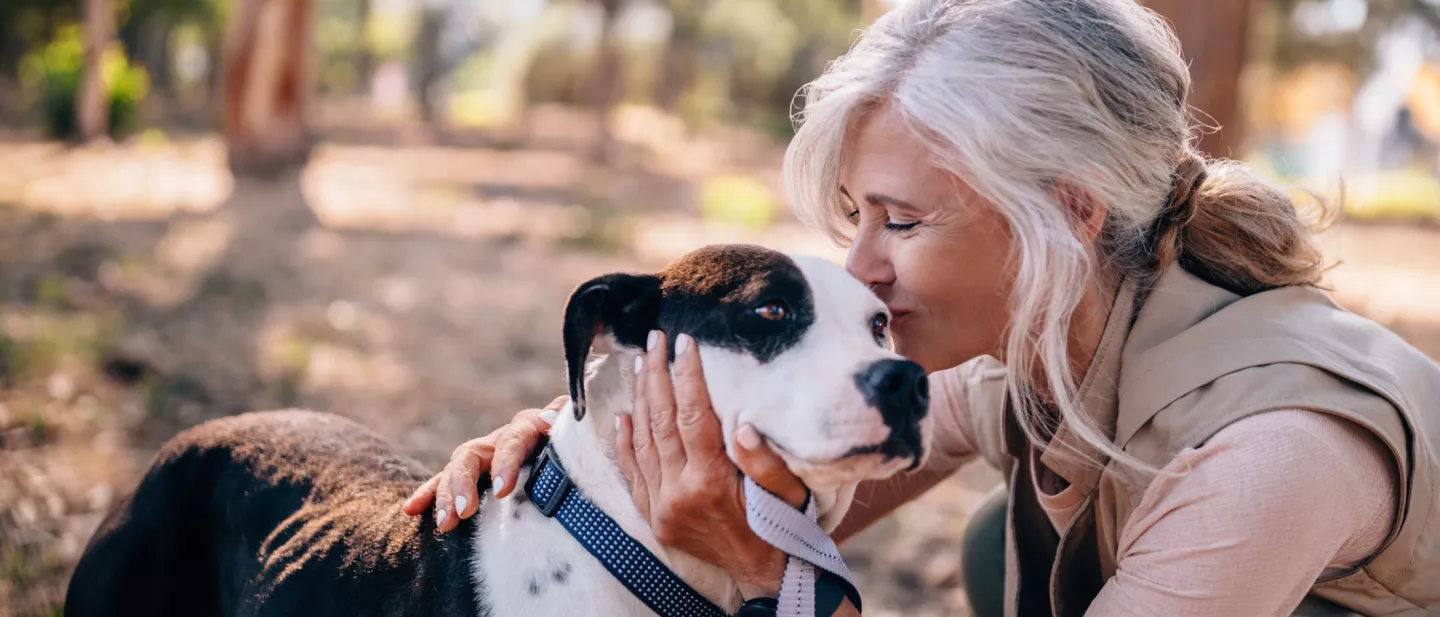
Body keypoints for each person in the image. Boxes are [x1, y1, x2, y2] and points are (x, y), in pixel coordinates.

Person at [403, 0, 1440, 615]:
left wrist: (771, 577)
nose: (860, 268)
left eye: (900, 221)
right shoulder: (1031, 344)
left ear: (1068, 211)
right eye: (855, 214)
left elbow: (765, 547)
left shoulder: (1271, 454)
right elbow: (776, 449)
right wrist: (576, 437)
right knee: (1003, 544)